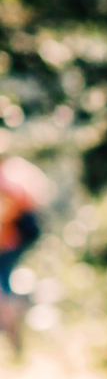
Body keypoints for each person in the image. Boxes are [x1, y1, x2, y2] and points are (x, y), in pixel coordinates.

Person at [0, 156, 49, 367]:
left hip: (14, 237)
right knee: (5, 283)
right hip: (20, 234)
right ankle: (13, 331)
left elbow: (10, 212)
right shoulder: (15, 170)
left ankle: (11, 326)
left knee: (3, 285)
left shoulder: (7, 179)